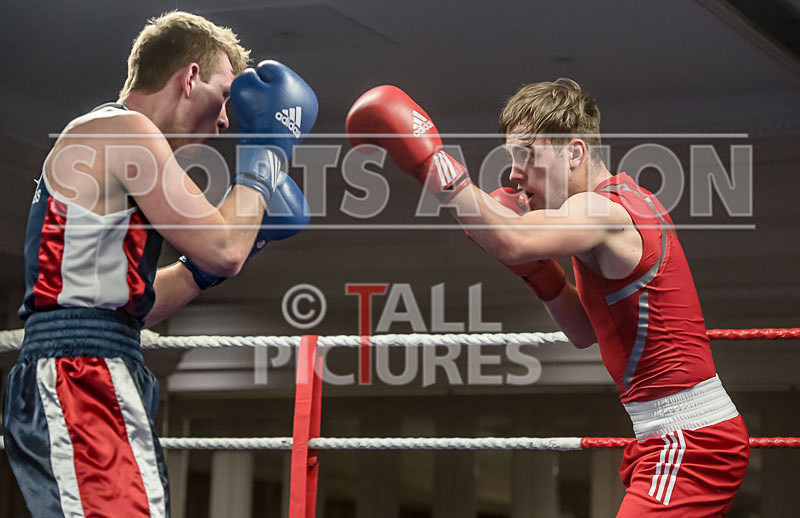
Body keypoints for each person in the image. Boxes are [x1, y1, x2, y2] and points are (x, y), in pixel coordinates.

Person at [345, 80, 750, 516]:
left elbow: (511, 239)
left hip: (689, 439)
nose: (514, 173)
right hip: (668, 435)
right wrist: (539, 274)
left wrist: (428, 158)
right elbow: (582, 331)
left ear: (574, 152)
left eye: (526, 154)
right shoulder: (598, 216)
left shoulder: (606, 211)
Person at [2, 11, 316, 517]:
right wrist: (269, 150)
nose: (225, 120)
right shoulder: (123, 131)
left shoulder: (112, 141)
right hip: (80, 377)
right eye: (224, 95)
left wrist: (210, 265)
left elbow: (133, 308)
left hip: (97, 363)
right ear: (190, 78)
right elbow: (223, 247)